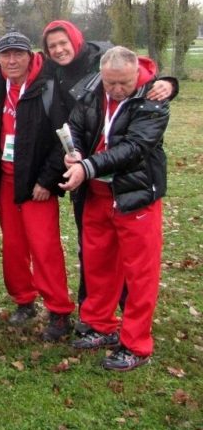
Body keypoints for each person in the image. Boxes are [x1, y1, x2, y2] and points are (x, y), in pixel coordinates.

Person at [41, 20, 177, 316]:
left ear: (76, 40)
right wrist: (73, 152)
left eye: (63, 42)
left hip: (125, 183)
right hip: (90, 181)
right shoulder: (52, 70)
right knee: (93, 252)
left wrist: (168, 83)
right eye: (52, 46)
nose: (58, 49)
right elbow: (76, 122)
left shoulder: (101, 61)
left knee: (132, 260)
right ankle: (93, 315)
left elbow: (136, 71)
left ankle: (128, 315)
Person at [60, 46, 169, 371]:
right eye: (111, 84)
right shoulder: (93, 89)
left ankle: (136, 343)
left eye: (124, 83)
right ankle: (99, 324)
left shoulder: (154, 100)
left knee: (140, 273)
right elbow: (76, 125)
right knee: (98, 262)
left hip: (135, 195)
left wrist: (88, 166)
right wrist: (74, 152)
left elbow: (134, 148)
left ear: (137, 75)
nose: (117, 90)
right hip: (98, 193)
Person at [0, 31, 75, 341]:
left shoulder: (47, 84)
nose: (12, 60)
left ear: (30, 55)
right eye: (5, 54)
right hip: (5, 180)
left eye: (18, 54)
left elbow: (64, 138)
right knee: (13, 244)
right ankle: (24, 300)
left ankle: (59, 310)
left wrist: (47, 180)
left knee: (44, 246)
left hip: (37, 183)